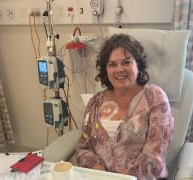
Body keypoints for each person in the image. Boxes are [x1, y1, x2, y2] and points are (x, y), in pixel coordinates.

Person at [75, 34, 174, 179]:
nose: (119, 69)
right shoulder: (95, 103)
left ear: (138, 65)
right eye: (112, 64)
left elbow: (154, 156)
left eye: (126, 62)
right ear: (105, 70)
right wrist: (100, 173)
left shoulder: (155, 97)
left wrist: (123, 177)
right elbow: (84, 148)